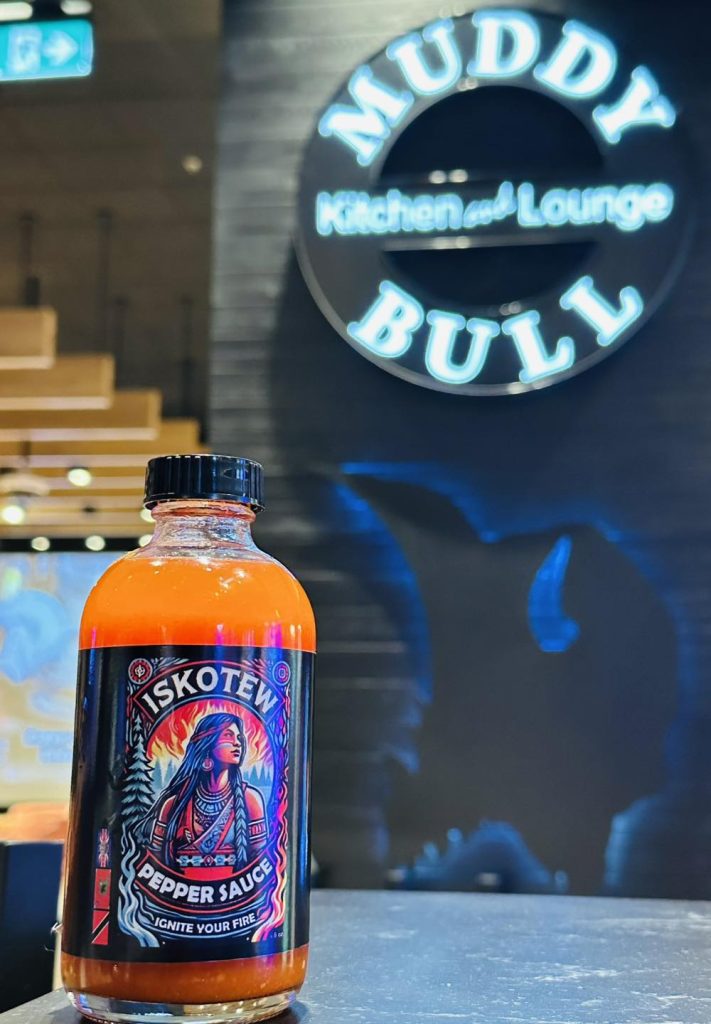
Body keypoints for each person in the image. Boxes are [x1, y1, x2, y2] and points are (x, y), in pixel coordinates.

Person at [143, 712, 267, 879]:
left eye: (239, 737)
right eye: (228, 735)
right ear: (207, 743)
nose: (237, 743)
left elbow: (262, 861)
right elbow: (156, 861)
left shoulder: (250, 800)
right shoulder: (172, 805)